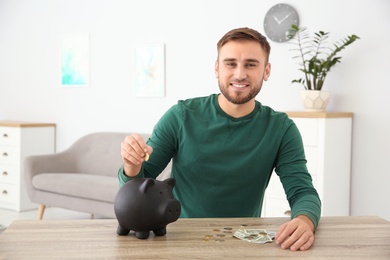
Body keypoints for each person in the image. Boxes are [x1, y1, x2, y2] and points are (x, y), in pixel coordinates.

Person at [118, 27, 321, 251]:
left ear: (267, 70)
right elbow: (136, 187)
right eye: (230, 63)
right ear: (217, 68)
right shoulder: (180, 116)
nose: (240, 74)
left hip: (241, 244)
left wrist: (304, 221)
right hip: (179, 241)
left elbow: (302, 191)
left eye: (251, 64)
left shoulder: (281, 129)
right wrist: (132, 164)